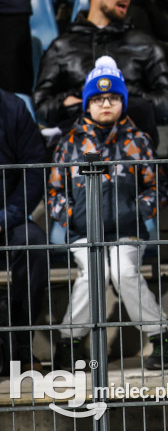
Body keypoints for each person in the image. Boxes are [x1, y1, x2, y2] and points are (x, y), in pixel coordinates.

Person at [48, 57, 168, 372]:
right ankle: (68, 343)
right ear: (87, 104)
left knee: (123, 272)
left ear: (123, 102)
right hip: (83, 232)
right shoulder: (69, 144)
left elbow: (158, 188)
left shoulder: (138, 141)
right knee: (94, 273)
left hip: (127, 231)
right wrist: (73, 215)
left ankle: (161, 339)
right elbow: (54, 191)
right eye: (97, 99)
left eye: (112, 98)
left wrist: (134, 211)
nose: (106, 104)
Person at [33, 0, 168, 144]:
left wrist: (122, 94)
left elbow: (166, 105)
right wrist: (78, 100)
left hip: (133, 151)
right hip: (80, 151)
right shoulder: (62, 46)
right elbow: (41, 108)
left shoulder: (145, 44)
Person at [0, 89, 48, 377]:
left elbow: (34, 169)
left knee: (33, 243)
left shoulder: (13, 107)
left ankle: (20, 346)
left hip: (9, 217)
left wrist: (7, 217)